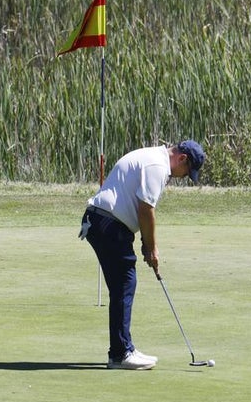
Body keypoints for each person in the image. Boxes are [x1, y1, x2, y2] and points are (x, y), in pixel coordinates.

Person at [79, 140, 207, 369]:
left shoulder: (153, 157)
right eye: (186, 172)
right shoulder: (158, 166)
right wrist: (152, 248)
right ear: (182, 159)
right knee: (125, 283)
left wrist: (146, 245)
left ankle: (123, 349)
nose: (182, 176)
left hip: (103, 222)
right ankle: (120, 354)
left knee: (123, 284)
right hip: (108, 223)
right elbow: (146, 209)